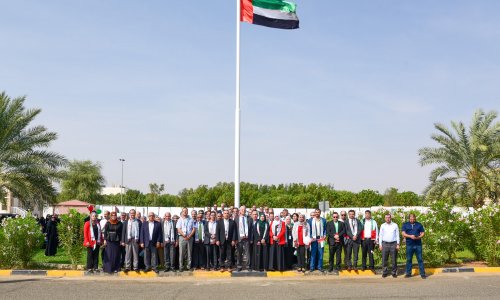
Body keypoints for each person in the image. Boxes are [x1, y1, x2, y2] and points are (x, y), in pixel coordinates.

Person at [402, 213, 426, 279]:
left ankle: (422, 274)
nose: (412, 220)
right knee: (409, 259)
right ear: (409, 218)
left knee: (420, 259)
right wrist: (410, 236)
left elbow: (423, 233)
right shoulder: (405, 225)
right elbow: (403, 233)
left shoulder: (419, 224)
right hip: (409, 244)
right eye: (411, 219)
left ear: (415, 218)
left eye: (413, 219)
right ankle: (408, 273)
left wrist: (419, 237)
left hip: (418, 244)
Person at [379, 213, 400, 278]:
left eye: (389, 217)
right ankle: (385, 272)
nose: (388, 219)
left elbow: (397, 235)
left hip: (393, 244)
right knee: (384, 259)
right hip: (385, 244)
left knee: (393, 259)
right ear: (385, 218)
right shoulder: (382, 225)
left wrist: (398, 244)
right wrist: (380, 244)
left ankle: (394, 272)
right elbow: (380, 235)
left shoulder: (395, 225)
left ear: (391, 218)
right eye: (386, 217)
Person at [176, 207, 194, 272]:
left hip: (190, 237)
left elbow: (194, 229)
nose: (185, 212)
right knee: (181, 253)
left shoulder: (191, 219)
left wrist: (189, 236)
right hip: (182, 237)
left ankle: (188, 266)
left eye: (186, 211)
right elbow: (178, 229)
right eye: (184, 211)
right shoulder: (179, 220)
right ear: (182, 212)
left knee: (189, 252)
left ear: (187, 212)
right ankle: (181, 266)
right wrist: (184, 235)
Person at [235, 206, 252, 271]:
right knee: (239, 253)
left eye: (244, 209)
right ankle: (239, 266)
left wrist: (251, 239)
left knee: (247, 253)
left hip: (247, 238)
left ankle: (248, 266)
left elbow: (251, 229)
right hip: (239, 238)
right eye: (242, 209)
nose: (243, 211)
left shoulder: (249, 218)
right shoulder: (236, 218)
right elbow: (235, 229)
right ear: (240, 210)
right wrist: (235, 238)